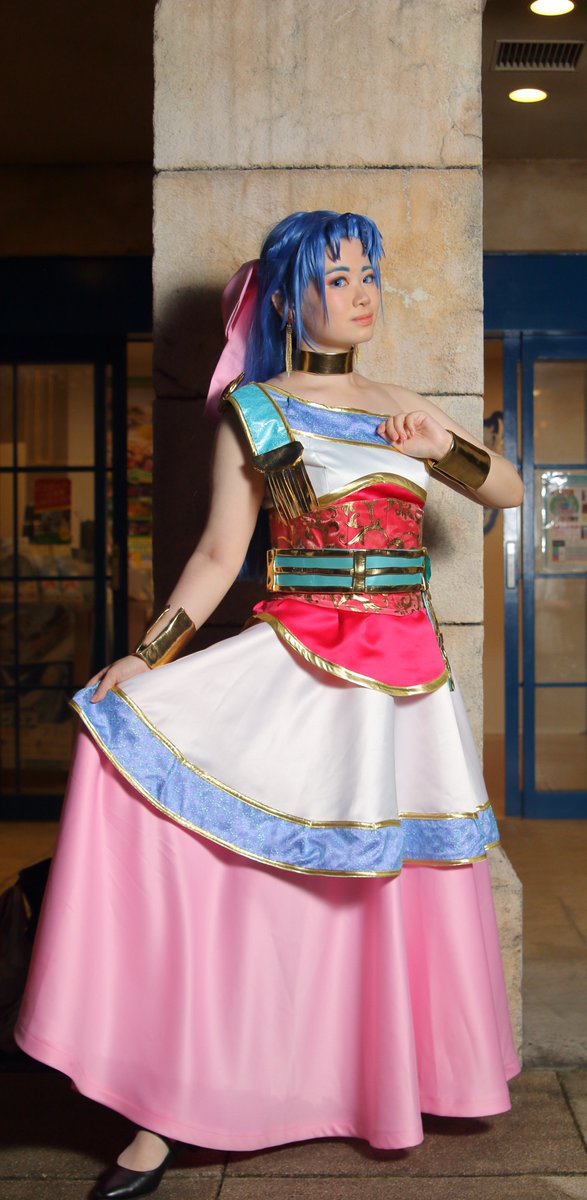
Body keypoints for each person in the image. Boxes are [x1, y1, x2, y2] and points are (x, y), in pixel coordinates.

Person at [15, 210, 523, 1199]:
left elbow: (503, 490)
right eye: (339, 277)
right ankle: (167, 1104)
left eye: (368, 273)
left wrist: (441, 448)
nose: (363, 292)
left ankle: (379, 1083)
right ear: (289, 298)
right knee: (249, 875)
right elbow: (217, 556)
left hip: (407, 681)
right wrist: (145, 655)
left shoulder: (402, 402)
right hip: (303, 664)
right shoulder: (255, 411)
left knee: (383, 892)